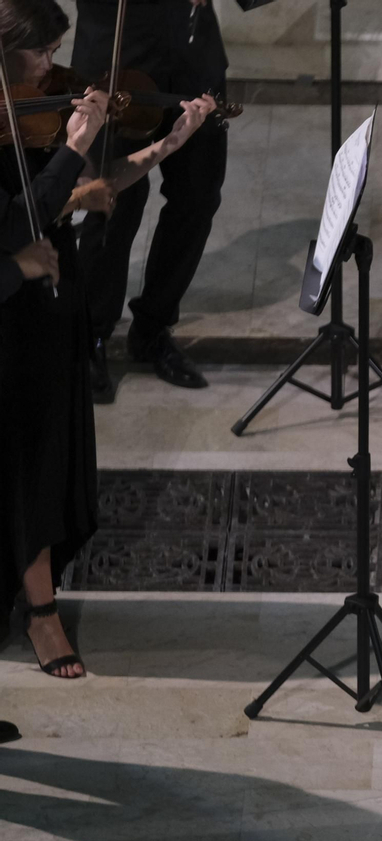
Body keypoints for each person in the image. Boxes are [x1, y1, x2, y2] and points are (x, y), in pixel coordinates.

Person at [1, 0, 216, 680]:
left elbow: (88, 189)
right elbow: (18, 219)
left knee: (54, 456)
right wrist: (72, 148)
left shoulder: (33, 107)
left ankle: (37, 596)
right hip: (9, 320)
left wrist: (167, 145)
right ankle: (41, 614)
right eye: (39, 53)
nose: (53, 66)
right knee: (27, 466)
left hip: (51, 305)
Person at [73, 0, 230, 402]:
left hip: (194, 63)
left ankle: (153, 328)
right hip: (117, 62)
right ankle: (91, 335)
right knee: (111, 202)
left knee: (197, 199)